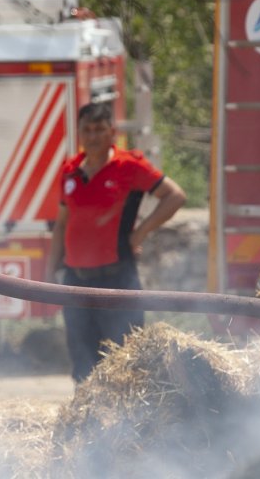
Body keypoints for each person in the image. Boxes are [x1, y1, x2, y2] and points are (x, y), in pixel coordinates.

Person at [47, 101, 186, 383]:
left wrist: (140, 233)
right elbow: (61, 225)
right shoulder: (70, 171)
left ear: (112, 132)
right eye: (87, 130)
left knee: (125, 366)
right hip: (76, 284)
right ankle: (88, 412)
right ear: (79, 133)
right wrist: (50, 272)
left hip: (117, 280)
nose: (93, 136)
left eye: (100, 129)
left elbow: (175, 196)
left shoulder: (128, 166)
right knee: (83, 367)